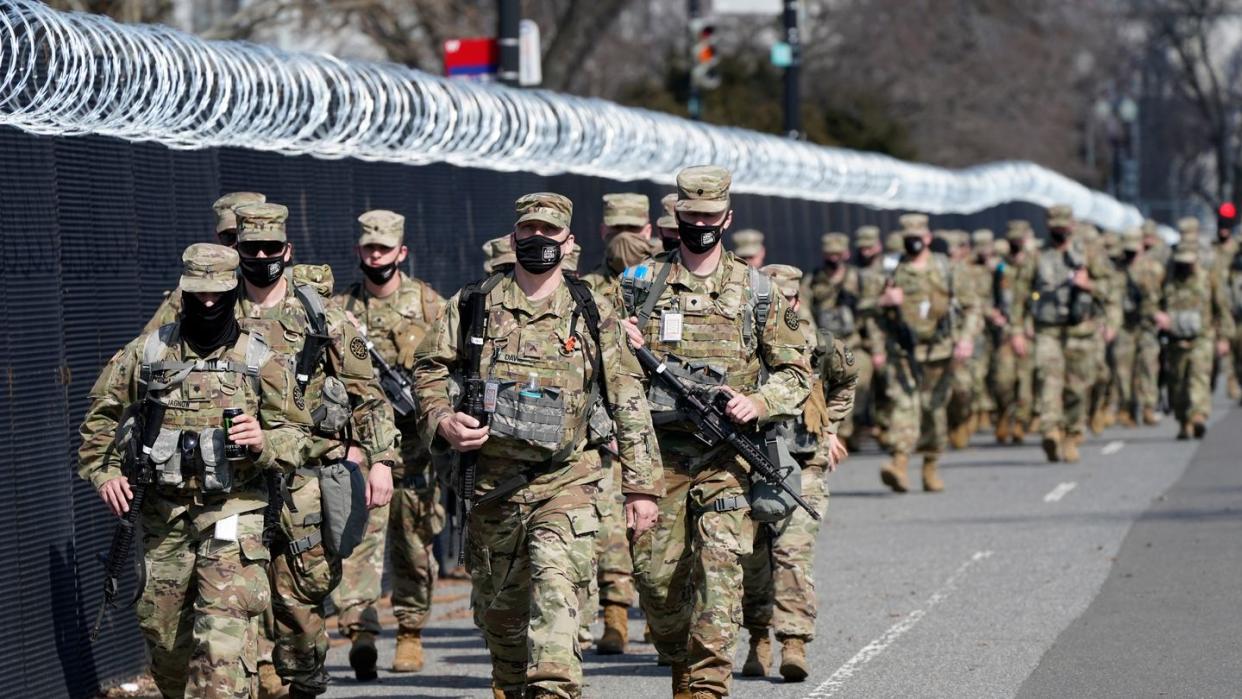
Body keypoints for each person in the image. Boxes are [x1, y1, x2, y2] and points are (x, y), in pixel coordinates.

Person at [413, 192, 662, 698]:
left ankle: (554, 689)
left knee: (556, 597)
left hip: (565, 482)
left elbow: (628, 399)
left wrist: (641, 486)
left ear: (568, 243)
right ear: (514, 238)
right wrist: (442, 420)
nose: (538, 241)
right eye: (529, 231)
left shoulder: (594, 312)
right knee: (501, 629)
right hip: (492, 489)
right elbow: (428, 369)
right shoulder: (474, 303)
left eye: (550, 233)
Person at [78, 243, 313, 698]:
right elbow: (98, 420)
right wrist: (105, 475)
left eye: (217, 294)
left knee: (221, 644)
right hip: (163, 518)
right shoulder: (149, 352)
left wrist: (264, 441)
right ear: (183, 290)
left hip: (233, 512)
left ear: (233, 290)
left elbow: (299, 435)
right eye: (197, 294)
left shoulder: (260, 359)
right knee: (168, 644)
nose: (207, 303)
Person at [619, 165, 811, 698]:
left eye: (710, 216)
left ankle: (708, 686)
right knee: (658, 585)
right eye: (691, 216)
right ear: (676, 217)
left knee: (721, 569)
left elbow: (797, 371)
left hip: (728, 459)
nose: (701, 224)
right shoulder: (636, 286)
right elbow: (596, 365)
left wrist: (758, 401)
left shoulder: (759, 291)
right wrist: (619, 339)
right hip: (658, 458)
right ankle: (680, 658)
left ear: (727, 218)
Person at [227, 202, 398, 696]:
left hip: (304, 480)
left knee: (300, 606)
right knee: (231, 597)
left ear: (288, 250)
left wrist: (381, 460)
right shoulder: (214, 307)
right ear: (236, 250)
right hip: (233, 481)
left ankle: (301, 680)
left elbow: (368, 396)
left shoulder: (321, 316)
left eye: (270, 248)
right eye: (250, 249)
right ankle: (255, 678)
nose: (261, 257)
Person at [335, 210, 447, 674]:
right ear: (359, 251)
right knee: (357, 546)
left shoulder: (427, 304)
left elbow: (450, 367)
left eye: (384, 248)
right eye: (369, 248)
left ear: (401, 252)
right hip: (361, 452)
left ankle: (410, 633)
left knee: (415, 549)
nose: (376, 256)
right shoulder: (343, 309)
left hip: (416, 455)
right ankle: (362, 631)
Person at [740, 264, 856, 683]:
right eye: (772, 299)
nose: (780, 306)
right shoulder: (742, 342)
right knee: (752, 560)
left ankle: (793, 640)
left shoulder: (821, 346)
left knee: (791, 553)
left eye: (787, 299)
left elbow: (848, 380)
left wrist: (831, 428)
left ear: (797, 301)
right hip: (748, 461)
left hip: (804, 464)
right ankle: (757, 637)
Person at [873, 214, 978, 492]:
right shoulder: (892, 272)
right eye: (909, 240)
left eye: (918, 238)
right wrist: (884, 301)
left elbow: (972, 307)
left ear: (929, 238)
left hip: (940, 352)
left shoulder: (948, 269)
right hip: (904, 353)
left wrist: (966, 339)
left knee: (933, 409)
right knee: (904, 405)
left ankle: (930, 464)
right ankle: (899, 463)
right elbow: (870, 311)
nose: (914, 244)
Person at [1010, 205, 1116, 463]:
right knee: (1049, 379)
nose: (1059, 232)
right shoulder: (1037, 256)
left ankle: (1072, 433)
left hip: (1082, 331)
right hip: (1048, 330)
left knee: (1077, 387)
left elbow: (1111, 288)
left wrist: (1088, 284)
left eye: (1063, 227)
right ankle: (1051, 430)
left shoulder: (1089, 254)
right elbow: (1020, 295)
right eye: (1054, 228)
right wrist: (1017, 331)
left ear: (1072, 226)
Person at [144, 191, 266, 333]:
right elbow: (150, 341)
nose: (236, 246)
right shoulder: (195, 289)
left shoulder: (292, 287)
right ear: (217, 237)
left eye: (246, 239)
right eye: (229, 237)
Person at [1157, 242, 1233, 438]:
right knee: (1178, 382)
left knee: (1199, 377)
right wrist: (1158, 315)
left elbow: (1222, 308)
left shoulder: (1208, 278)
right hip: (1175, 341)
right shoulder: (1167, 279)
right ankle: (1184, 420)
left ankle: (1198, 415)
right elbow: (1152, 302)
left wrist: (1223, 338)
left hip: (1202, 338)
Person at [1111, 228, 1163, 427]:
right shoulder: (1117, 269)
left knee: (1148, 366)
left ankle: (1149, 406)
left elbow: (1162, 295)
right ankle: (1127, 407)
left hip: (1147, 324)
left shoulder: (1153, 268)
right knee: (1123, 369)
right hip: (1125, 325)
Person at [581, 192, 654, 293]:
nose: (624, 236)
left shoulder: (668, 282)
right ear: (603, 231)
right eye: (617, 227)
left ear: (648, 231)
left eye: (633, 228)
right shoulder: (585, 289)